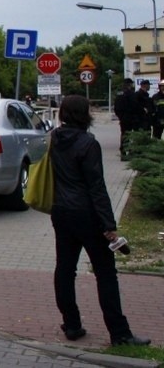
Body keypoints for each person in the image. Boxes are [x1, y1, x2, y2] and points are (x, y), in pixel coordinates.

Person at [49, 94, 150, 346]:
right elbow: (96, 187)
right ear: (85, 115)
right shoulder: (88, 143)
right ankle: (120, 333)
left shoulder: (53, 139)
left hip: (61, 211)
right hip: (88, 215)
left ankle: (71, 324)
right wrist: (109, 225)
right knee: (106, 274)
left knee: (65, 269)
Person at [113, 78, 143, 157]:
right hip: (132, 117)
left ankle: (123, 151)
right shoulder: (132, 94)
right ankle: (131, 151)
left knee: (124, 134)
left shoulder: (119, 94)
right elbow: (135, 106)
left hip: (123, 118)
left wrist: (120, 116)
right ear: (129, 85)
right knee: (132, 135)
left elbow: (116, 108)